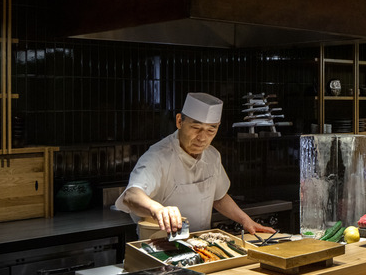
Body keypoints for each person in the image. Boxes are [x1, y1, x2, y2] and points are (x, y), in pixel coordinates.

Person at [115, 92, 274, 235]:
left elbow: (218, 198)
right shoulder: (157, 156)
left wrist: (245, 220)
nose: (202, 138)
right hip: (158, 247)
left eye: (210, 130)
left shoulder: (212, 156)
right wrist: (157, 209)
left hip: (200, 246)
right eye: (196, 127)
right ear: (179, 121)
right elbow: (131, 195)